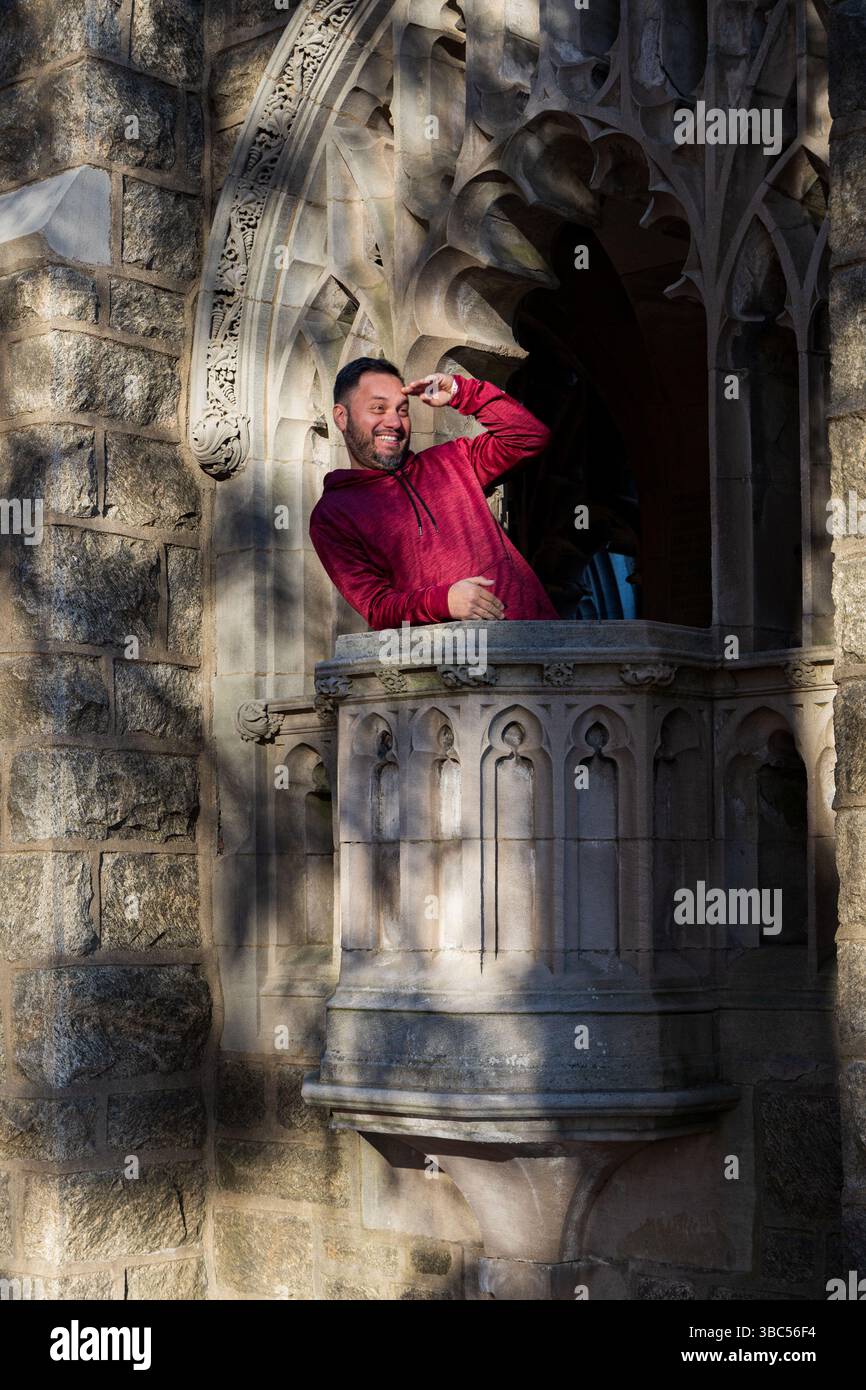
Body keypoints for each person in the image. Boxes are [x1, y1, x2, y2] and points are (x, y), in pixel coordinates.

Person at [309, 357, 559, 630]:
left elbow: (529, 437)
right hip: (455, 665)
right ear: (341, 417)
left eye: (402, 410)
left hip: (541, 643)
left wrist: (460, 392)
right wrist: (444, 601)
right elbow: (377, 607)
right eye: (378, 408)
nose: (394, 421)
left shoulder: (456, 459)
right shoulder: (332, 515)